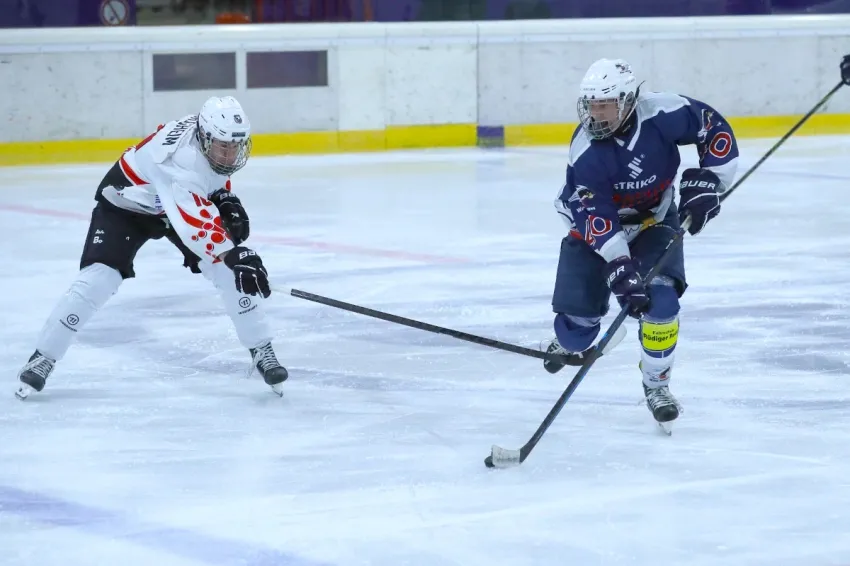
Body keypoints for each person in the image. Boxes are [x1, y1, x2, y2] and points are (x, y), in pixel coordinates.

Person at [15, 96, 288, 400]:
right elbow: (194, 224)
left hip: (172, 199)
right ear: (204, 137)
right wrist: (232, 253)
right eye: (223, 146)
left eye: (235, 146)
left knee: (229, 273)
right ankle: (43, 357)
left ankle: (262, 349)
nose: (229, 155)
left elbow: (205, 184)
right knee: (98, 279)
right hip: (126, 205)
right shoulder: (179, 161)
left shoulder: (207, 136)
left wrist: (222, 198)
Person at [543, 58, 739, 431]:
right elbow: (595, 215)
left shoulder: (664, 113)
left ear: (630, 100)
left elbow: (713, 128)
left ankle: (656, 384)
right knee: (576, 330)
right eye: (591, 105)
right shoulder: (585, 151)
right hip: (592, 227)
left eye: (606, 105)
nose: (596, 115)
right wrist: (619, 265)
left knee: (661, 301)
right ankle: (576, 337)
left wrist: (711, 180)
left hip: (654, 220)